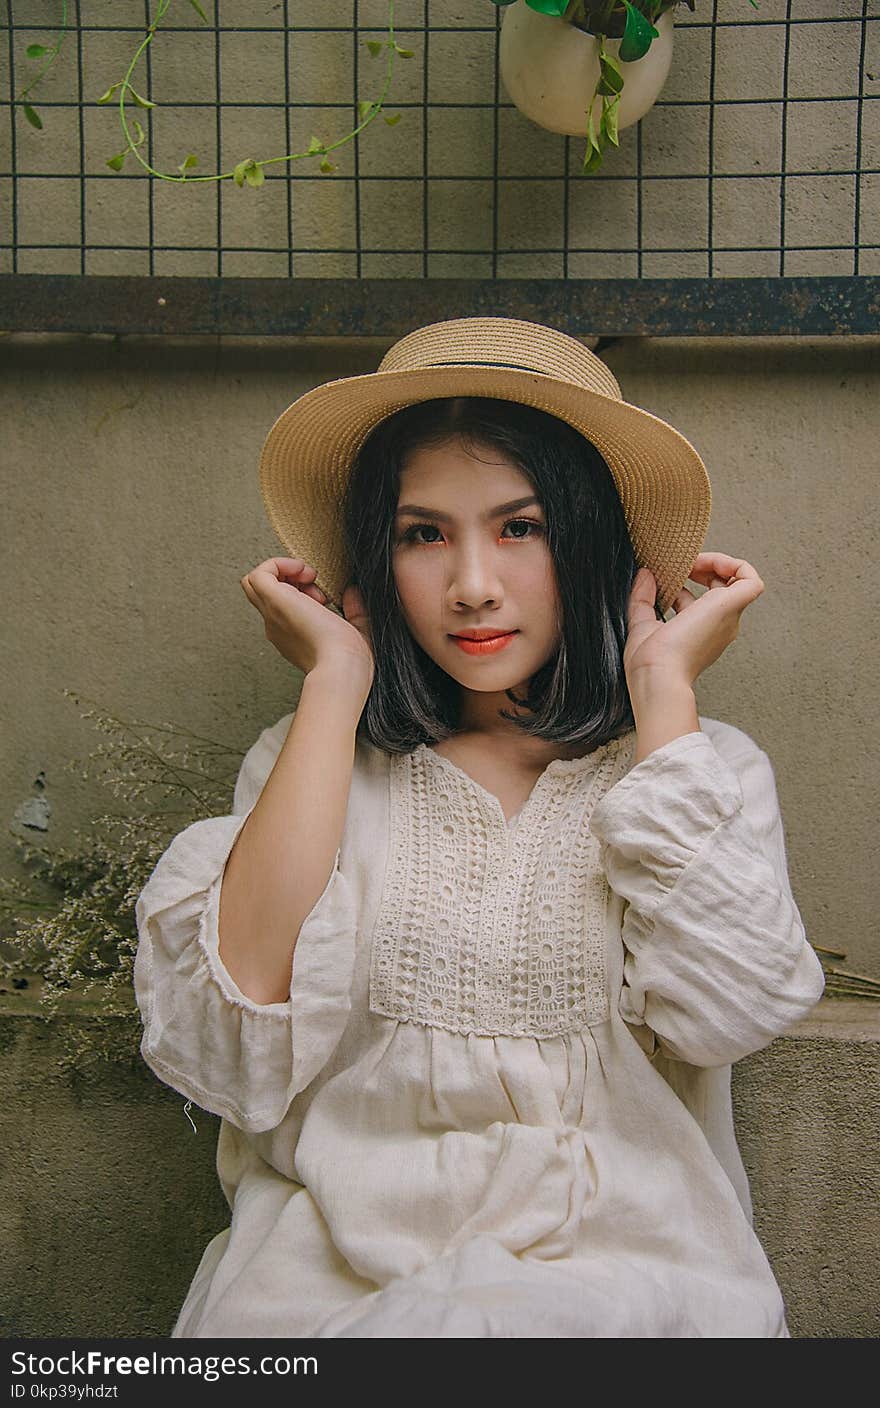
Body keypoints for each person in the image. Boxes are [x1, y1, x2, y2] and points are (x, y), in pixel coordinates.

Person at [133, 316, 825, 1339]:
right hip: (333, 1272)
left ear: (590, 537)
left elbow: (723, 1017)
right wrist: (334, 680)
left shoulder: (697, 768)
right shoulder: (318, 764)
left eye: (520, 526)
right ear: (377, 558)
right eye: (423, 534)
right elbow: (231, 1052)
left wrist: (660, 691)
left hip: (625, 1267)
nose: (471, 585)